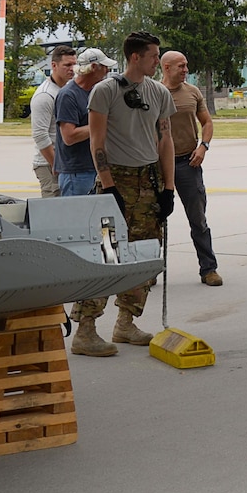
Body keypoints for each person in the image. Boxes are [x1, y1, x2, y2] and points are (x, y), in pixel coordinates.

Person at [73, 33, 176, 353]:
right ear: (135, 57)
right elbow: (97, 142)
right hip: (115, 178)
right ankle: (86, 331)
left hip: (148, 181)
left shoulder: (158, 92)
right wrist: (109, 185)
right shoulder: (105, 91)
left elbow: (165, 141)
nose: (157, 61)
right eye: (153, 56)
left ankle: (126, 322)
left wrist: (168, 188)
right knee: (106, 254)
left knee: (144, 254)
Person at [56, 49, 119, 355]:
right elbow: (68, 136)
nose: (107, 73)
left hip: (91, 172)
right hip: (76, 174)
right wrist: (99, 126)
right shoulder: (69, 96)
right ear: (92, 68)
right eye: (104, 68)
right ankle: (79, 312)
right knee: (82, 240)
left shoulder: (96, 93)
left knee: (98, 239)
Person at [160, 51, 221, 287]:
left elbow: (206, 121)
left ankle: (209, 269)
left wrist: (203, 147)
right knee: (154, 220)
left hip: (188, 163)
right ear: (166, 67)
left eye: (186, 65)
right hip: (157, 166)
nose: (186, 69)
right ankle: (149, 271)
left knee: (198, 219)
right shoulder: (153, 92)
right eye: (181, 66)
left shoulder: (193, 92)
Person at [27, 45, 77, 199]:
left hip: (66, 163)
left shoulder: (68, 89)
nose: (72, 69)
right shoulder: (45, 95)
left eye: (74, 64)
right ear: (54, 66)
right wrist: (56, 164)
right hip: (49, 165)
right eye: (67, 65)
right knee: (53, 212)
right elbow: (40, 135)